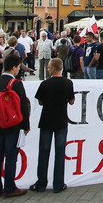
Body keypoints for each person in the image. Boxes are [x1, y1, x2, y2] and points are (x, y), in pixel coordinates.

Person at [0, 52, 30, 198]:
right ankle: (10, 187)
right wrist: (26, 125)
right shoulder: (16, 84)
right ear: (13, 68)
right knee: (11, 156)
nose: (19, 70)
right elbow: (23, 106)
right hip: (14, 125)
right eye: (18, 67)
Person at [30, 58, 75, 193]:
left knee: (44, 152)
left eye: (49, 67)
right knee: (60, 153)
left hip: (47, 120)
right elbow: (72, 101)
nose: (48, 69)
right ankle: (58, 184)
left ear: (54, 68)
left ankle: (41, 183)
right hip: (61, 120)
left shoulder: (45, 84)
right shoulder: (68, 83)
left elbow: (40, 101)